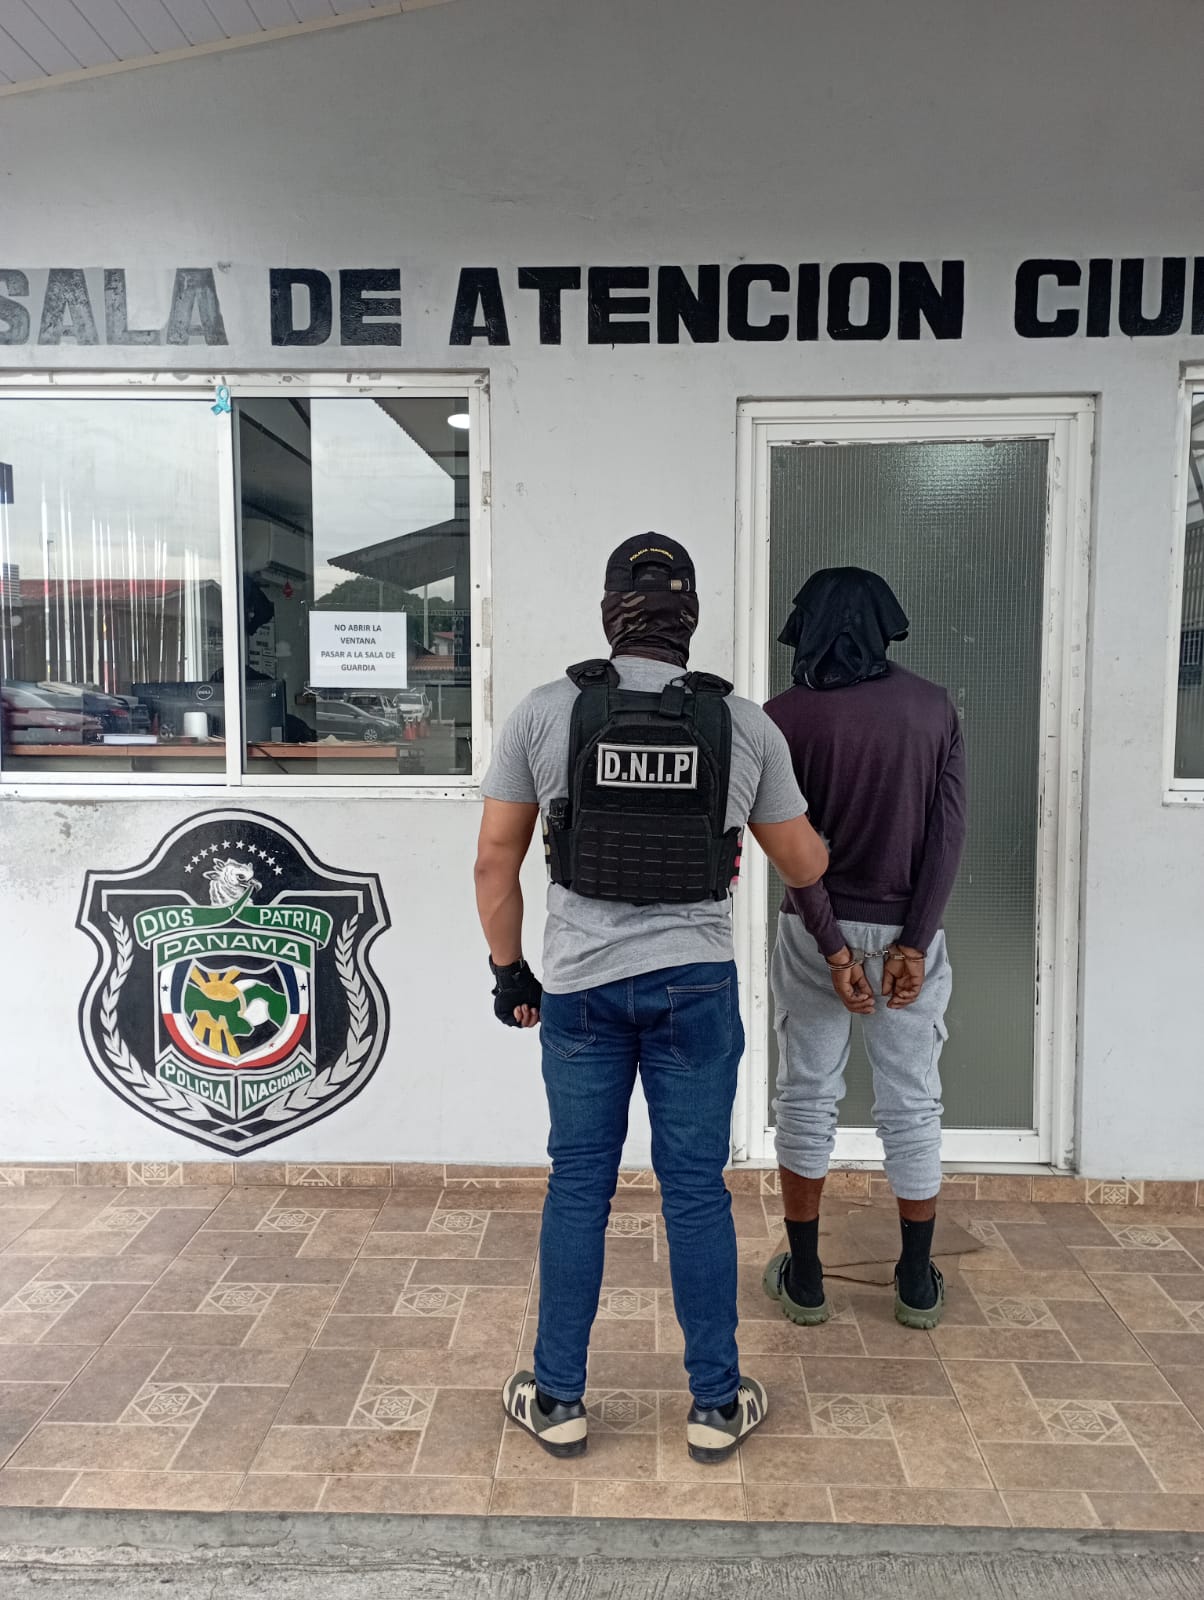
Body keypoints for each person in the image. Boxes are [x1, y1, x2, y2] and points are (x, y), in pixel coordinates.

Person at [474, 535, 828, 1463]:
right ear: (690, 618)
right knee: (695, 1193)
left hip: (581, 992)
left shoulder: (545, 712)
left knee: (578, 1186)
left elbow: (494, 861)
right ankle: (715, 1405)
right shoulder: (743, 724)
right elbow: (802, 864)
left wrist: (511, 973)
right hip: (696, 989)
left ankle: (558, 1397)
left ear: (609, 613)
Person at [760, 568, 967, 1332]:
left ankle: (806, 1278)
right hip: (911, 928)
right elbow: (947, 835)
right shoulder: (933, 708)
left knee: (806, 1095)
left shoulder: (781, 718)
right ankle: (915, 1283)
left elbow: (792, 850)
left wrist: (834, 948)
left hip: (814, 932)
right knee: (912, 1102)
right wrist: (914, 940)